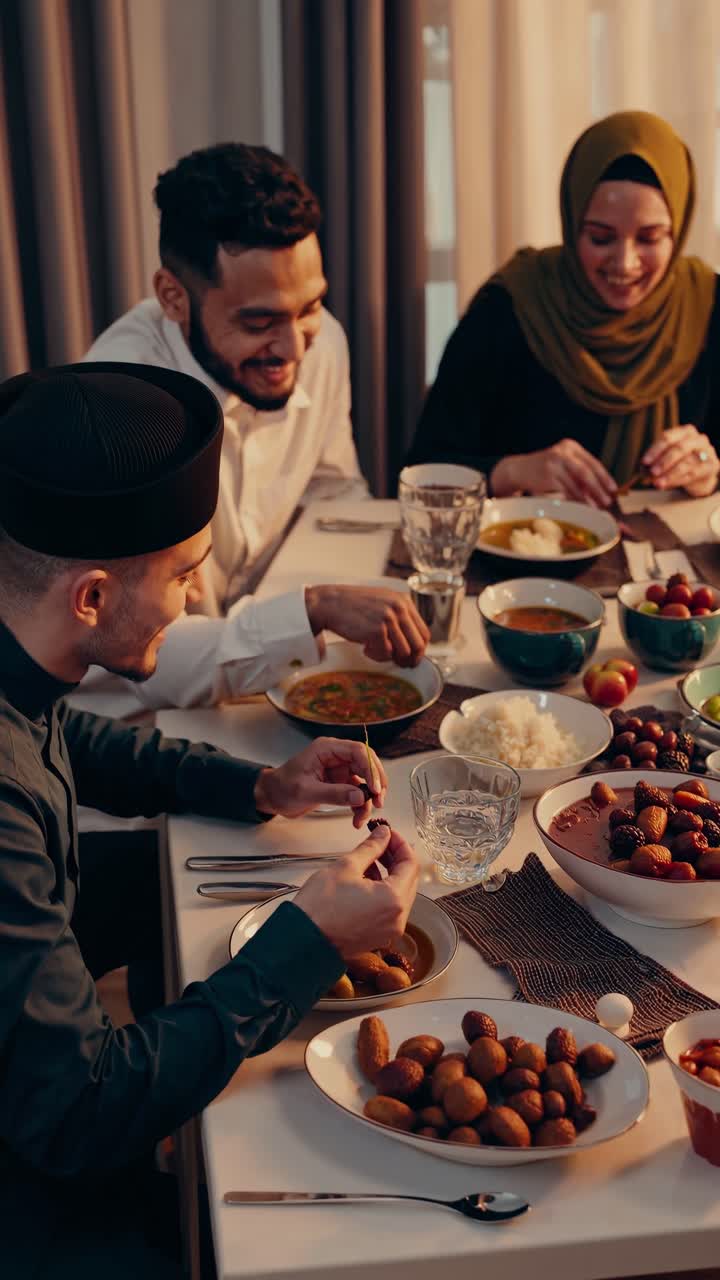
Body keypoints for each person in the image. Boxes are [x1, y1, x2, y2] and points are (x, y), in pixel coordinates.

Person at [0, 363, 419, 1279]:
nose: (195, 601)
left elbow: (70, 738)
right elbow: (75, 1111)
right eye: (187, 576)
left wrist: (260, 786)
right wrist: (305, 941)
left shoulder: (21, 670)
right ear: (93, 597)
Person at [82, 143, 428, 715]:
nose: (295, 347)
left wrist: (344, 610)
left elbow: (333, 495)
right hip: (132, 729)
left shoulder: (323, 342)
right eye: (259, 321)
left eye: (309, 307)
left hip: (253, 678)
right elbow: (145, 657)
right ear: (173, 296)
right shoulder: (123, 408)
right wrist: (311, 609)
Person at [409, 110, 720, 506]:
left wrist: (707, 471)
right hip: (526, 562)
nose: (625, 263)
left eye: (650, 238)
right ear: (572, 224)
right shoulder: (512, 307)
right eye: (601, 237)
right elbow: (424, 471)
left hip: (672, 565)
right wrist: (514, 471)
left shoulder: (707, 306)